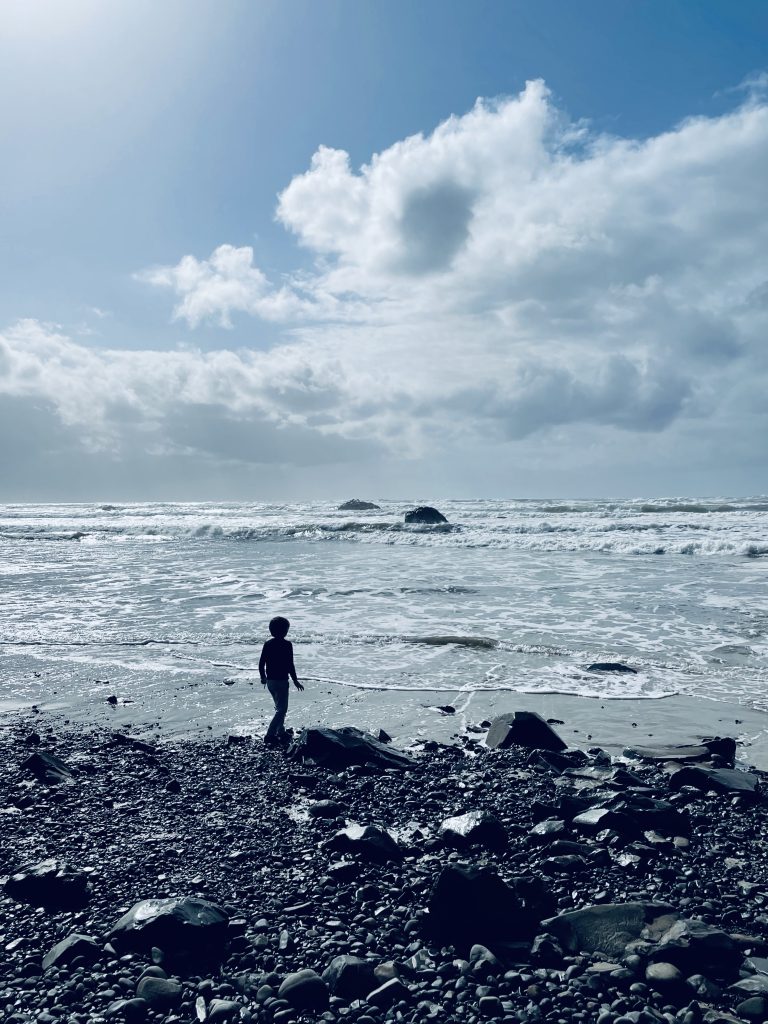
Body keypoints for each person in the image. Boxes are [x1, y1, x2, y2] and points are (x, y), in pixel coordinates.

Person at [259, 616, 304, 745]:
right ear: (285, 631)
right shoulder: (287, 644)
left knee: (279, 707)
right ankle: (270, 734)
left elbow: (261, 663)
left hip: (270, 682)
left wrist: (263, 677)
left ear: (271, 630)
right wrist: (295, 680)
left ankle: (281, 731)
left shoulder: (268, 644)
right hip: (282, 681)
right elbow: (290, 664)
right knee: (282, 709)